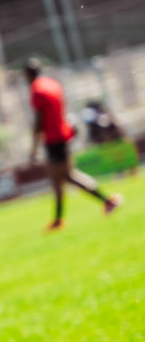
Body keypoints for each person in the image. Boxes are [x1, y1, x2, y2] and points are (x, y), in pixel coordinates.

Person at [24, 58, 123, 229]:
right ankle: (60, 219)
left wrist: (34, 146)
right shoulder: (52, 84)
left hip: (54, 139)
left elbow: (39, 120)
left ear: (27, 75)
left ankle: (105, 201)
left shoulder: (37, 90)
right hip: (62, 133)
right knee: (61, 177)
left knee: (63, 176)